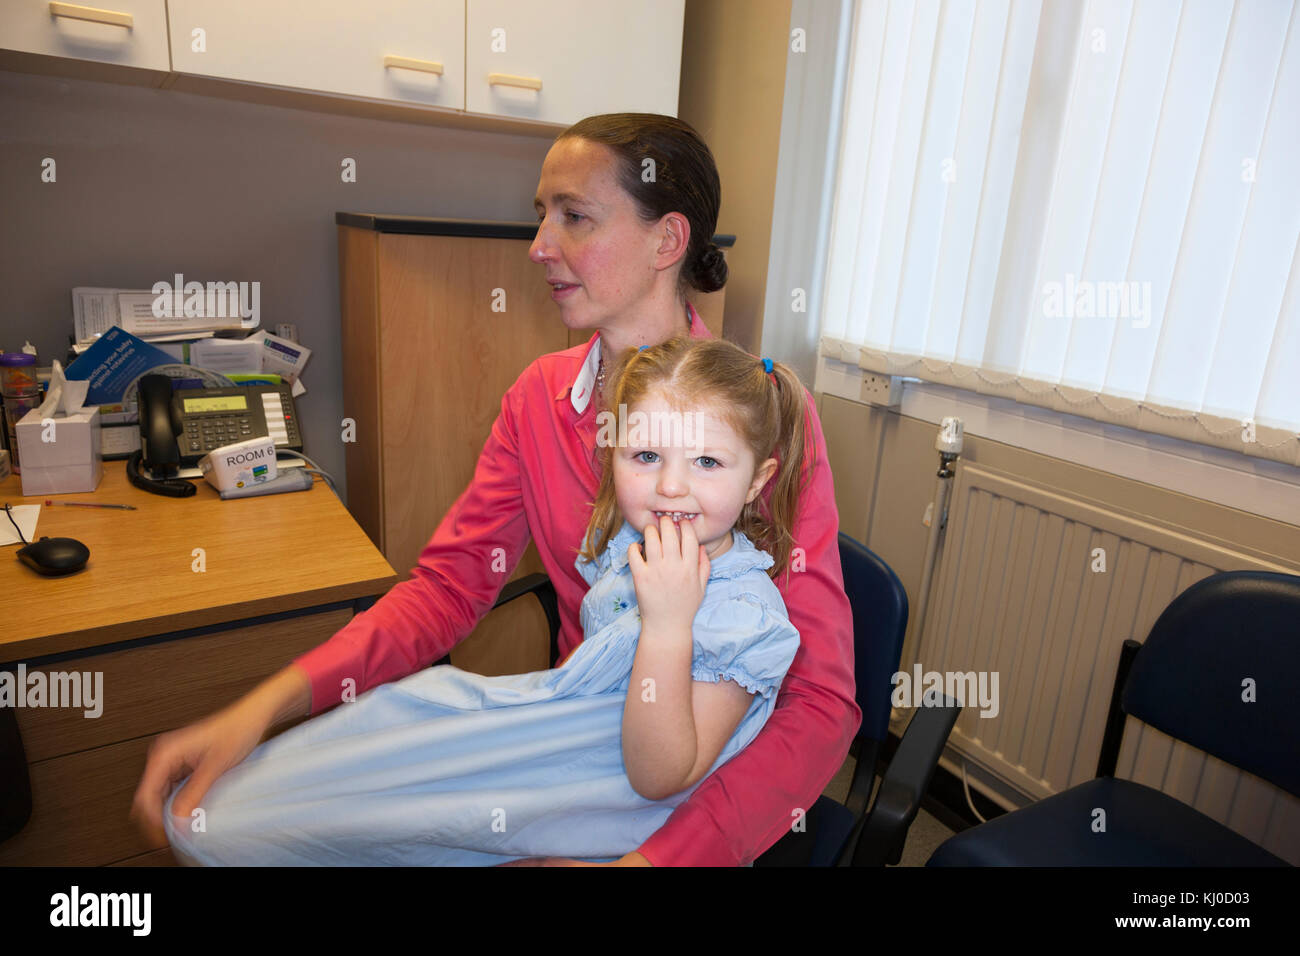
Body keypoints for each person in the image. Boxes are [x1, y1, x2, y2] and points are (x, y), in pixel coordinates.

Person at [132, 113, 860, 867]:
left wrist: (654, 863)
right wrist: (265, 707)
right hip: (560, 752)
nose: (540, 246)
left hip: (675, 806)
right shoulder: (539, 397)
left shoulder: (761, 421)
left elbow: (820, 702)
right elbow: (448, 588)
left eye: (574, 216)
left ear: (666, 242)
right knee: (231, 819)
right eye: (540, 216)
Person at [161, 337, 807, 865]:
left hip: (614, 819)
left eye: (707, 463)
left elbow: (660, 776)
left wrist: (669, 628)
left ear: (759, 481)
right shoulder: (632, 544)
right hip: (545, 746)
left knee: (369, 816)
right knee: (406, 709)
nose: (670, 486)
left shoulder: (739, 616)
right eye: (645, 455)